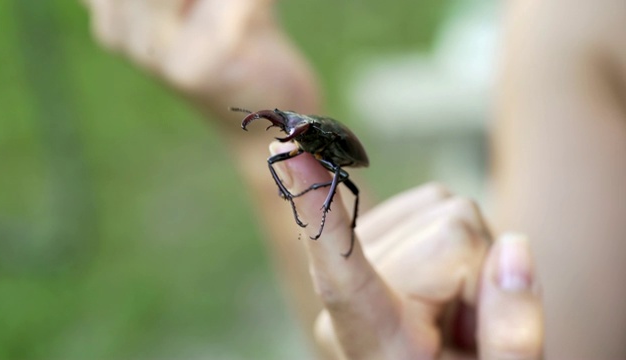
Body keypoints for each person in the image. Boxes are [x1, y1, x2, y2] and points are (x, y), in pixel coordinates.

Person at [84, 0, 626, 357]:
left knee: (340, 184)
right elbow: (569, 333)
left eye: (278, 125)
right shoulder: (571, 19)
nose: (277, 129)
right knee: (305, 176)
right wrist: (260, 145)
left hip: (342, 152)